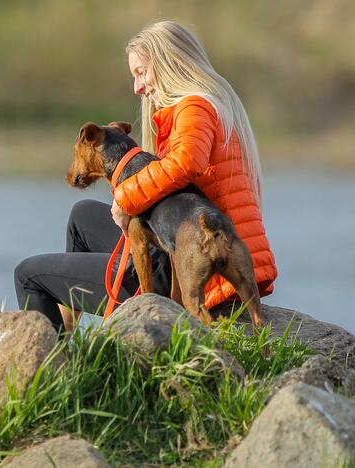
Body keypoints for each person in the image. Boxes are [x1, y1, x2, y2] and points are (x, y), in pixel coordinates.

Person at [14, 20, 278, 332]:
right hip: (177, 245)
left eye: (142, 72)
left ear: (170, 64)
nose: (138, 86)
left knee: (28, 274)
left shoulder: (195, 108)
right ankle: (73, 335)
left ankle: (58, 364)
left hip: (191, 265)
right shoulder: (203, 107)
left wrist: (125, 199)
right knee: (81, 215)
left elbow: (185, 164)